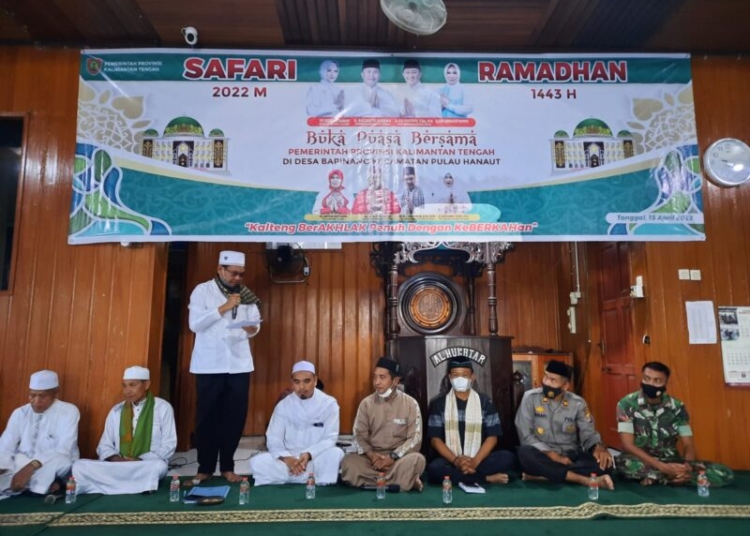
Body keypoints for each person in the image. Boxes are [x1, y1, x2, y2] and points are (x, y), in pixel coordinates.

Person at [188, 250, 262, 484]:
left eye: (241, 274)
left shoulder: (246, 295)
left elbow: (255, 325)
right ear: (220, 269)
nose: (238, 279)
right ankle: (205, 467)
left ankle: (228, 467)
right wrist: (223, 307)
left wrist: (252, 329)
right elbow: (195, 325)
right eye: (234, 274)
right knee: (207, 418)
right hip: (209, 364)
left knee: (234, 417)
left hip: (239, 364)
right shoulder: (203, 291)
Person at [616, 361, 734, 487]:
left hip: (670, 459)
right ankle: (672, 477)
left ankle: (664, 477)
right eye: (647, 379)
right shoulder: (626, 404)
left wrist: (687, 465)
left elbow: (688, 444)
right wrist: (661, 467)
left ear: (666, 383)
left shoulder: (677, 406)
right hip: (642, 460)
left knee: (725, 473)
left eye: (657, 381)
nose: (650, 384)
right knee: (625, 465)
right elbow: (628, 445)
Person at [72, 366, 177, 494]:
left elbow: (168, 445)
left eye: (132, 385)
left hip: (144, 465)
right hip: (118, 465)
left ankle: (110, 485)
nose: (127, 391)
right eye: (124, 386)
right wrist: (118, 460)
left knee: (159, 466)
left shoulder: (162, 408)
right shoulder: (116, 410)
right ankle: (137, 486)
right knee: (79, 465)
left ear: (147, 384)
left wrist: (138, 460)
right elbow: (104, 446)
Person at [515, 360, 615, 490]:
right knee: (525, 453)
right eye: (545, 377)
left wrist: (597, 447)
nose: (546, 382)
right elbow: (525, 435)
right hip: (542, 455)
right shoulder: (530, 398)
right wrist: (551, 454)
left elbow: (587, 433)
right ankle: (583, 480)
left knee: (606, 464)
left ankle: (543, 476)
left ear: (565, 386)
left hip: (569, 457)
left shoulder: (578, 403)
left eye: (553, 380)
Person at [426, 356, 517, 486]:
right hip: (450, 461)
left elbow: (492, 438)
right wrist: (456, 460)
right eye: (455, 375)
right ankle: (485, 479)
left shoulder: (485, 403)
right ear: (450, 378)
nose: (460, 379)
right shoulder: (439, 404)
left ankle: (465, 475)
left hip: (479, 460)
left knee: (509, 458)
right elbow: (435, 440)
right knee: (434, 469)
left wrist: (475, 461)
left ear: (472, 377)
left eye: (464, 375)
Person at [250, 361, 344, 486]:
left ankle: (293, 476)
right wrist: (287, 458)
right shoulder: (283, 406)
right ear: (292, 382)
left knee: (336, 453)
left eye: (306, 381)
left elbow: (330, 439)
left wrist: (308, 454)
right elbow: (273, 439)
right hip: (289, 458)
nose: (302, 387)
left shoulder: (329, 404)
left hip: (314, 457)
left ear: (315, 380)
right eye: (297, 382)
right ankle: (310, 477)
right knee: (257, 462)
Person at [341, 357, 426, 492]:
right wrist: (372, 456)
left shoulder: (410, 404)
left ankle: (372, 483)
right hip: (371, 461)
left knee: (418, 460)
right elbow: (359, 435)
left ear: (395, 381)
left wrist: (393, 457)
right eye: (375, 377)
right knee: (348, 463)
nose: (377, 382)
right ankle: (404, 482)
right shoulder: (366, 404)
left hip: (398, 460)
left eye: (382, 378)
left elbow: (415, 438)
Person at [0, 371, 80, 497]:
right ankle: (46, 485)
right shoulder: (20, 413)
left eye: (42, 396)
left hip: (55, 462)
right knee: (11, 461)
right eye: (32, 395)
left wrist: (30, 467)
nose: (36, 401)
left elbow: (64, 449)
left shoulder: (69, 411)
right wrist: (3, 467)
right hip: (23, 463)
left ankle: (35, 487)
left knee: (60, 462)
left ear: (55, 393)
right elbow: (6, 444)